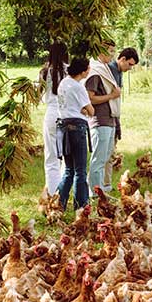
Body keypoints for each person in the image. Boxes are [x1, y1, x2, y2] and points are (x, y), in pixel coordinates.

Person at [84, 41, 121, 197]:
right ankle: (94, 192)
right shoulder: (95, 72)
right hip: (100, 120)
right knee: (98, 159)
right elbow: (89, 98)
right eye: (109, 51)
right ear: (99, 51)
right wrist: (111, 96)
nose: (112, 55)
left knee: (105, 157)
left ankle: (97, 188)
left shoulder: (105, 69)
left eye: (113, 52)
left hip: (110, 118)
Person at [56, 58, 94, 211]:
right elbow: (91, 110)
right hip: (77, 128)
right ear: (83, 71)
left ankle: (58, 203)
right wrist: (84, 110)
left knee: (68, 169)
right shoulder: (78, 87)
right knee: (80, 170)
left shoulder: (63, 83)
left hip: (64, 127)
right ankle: (81, 205)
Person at [103, 47, 139, 191]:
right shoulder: (110, 70)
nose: (130, 68)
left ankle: (106, 184)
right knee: (106, 154)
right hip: (105, 117)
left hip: (114, 117)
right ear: (122, 59)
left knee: (111, 152)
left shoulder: (119, 71)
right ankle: (103, 185)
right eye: (129, 64)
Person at [39, 40, 68, 195]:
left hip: (51, 113)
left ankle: (52, 192)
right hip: (66, 113)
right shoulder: (69, 71)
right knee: (66, 155)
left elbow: (41, 96)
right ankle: (63, 192)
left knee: (51, 157)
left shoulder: (44, 71)